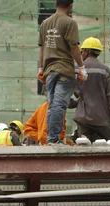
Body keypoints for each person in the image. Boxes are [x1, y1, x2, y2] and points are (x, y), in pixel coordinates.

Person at [38, 0, 87, 145]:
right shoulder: (70, 23)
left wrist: (41, 69)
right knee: (59, 105)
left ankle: (52, 138)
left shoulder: (45, 23)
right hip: (64, 70)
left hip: (49, 71)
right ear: (70, 5)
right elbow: (73, 47)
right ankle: (53, 138)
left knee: (53, 104)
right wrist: (81, 67)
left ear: (55, 4)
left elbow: (42, 49)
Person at [73, 37, 110, 142]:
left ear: (86, 51)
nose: (81, 54)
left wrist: (72, 103)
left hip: (83, 119)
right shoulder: (105, 70)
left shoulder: (77, 69)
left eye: (82, 52)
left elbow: (67, 93)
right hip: (102, 119)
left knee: (84, 148)